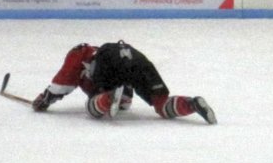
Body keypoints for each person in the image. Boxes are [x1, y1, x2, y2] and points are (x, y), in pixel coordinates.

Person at [33, 41, 217, 124]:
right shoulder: (104, 55)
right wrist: (121, 99)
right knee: (161, 104)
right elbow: (126, 100)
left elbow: (60, 85)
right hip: (137, 58)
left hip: (111, 66)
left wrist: (44, 99)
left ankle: (109, 96)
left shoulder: (79, 54)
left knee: (93, 109)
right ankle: (192, 104)